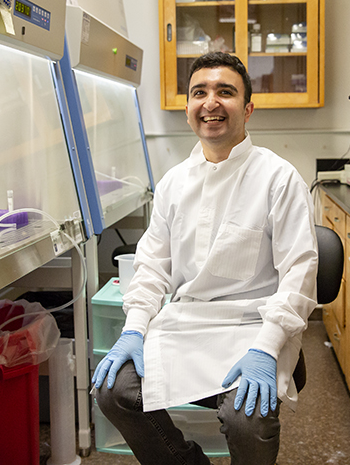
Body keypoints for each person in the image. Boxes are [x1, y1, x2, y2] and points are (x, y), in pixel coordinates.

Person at [92, 52, 318, 465]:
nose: (211, 103)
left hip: (254, 328)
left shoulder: (278, 178)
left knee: (244, 418)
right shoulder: (173, 183)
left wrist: (267, 348)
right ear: (188, 108)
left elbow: (300, 274)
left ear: (247, 109)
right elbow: (152, 266)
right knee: (114, 392)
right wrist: (134, 328)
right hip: (187, 325)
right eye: (200, 92)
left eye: (225, 92)